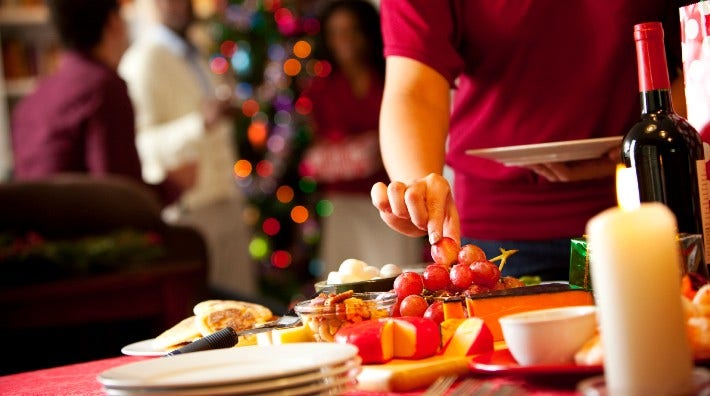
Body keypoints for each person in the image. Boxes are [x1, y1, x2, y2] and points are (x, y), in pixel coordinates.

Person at [371, 1, 688, 280]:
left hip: (651, 212)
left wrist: (642, 149)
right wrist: (418, 187)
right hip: (498, 230)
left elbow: (696, 56)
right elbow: (414, 89)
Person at [118, 0, 254, 297]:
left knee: (245, 311)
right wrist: (199, 124)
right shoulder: (142, 62)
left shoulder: (199, 50)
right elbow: (140, 145)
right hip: (189, 210)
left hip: (227, 200)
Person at [11, 0, 195, 205]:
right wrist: (174, 185)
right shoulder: (103, 88)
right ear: (113, 22)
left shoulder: (31, 101)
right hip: (82, 232)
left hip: (37, 234)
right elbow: (119, 196)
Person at [302, 0, 423, 276]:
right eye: (335, 32)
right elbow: (316, 143)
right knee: (346, 281)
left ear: (367, 32)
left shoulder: (391, 79)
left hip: (390, 202)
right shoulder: (320, 89)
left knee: (396, 278)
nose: (344, 40)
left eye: (352, 30)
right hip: (343, 205)